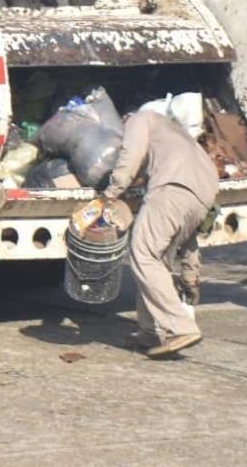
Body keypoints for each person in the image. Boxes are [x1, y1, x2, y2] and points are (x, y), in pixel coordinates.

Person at [104, 110, 219, 358]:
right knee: (155, 261)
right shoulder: (177, 131)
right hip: (202, 195)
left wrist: (112, 191)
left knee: (142, 254)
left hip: (172, 188)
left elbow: (131, 155)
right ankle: (149, 331)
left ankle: (181, 327)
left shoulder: (140, 118)